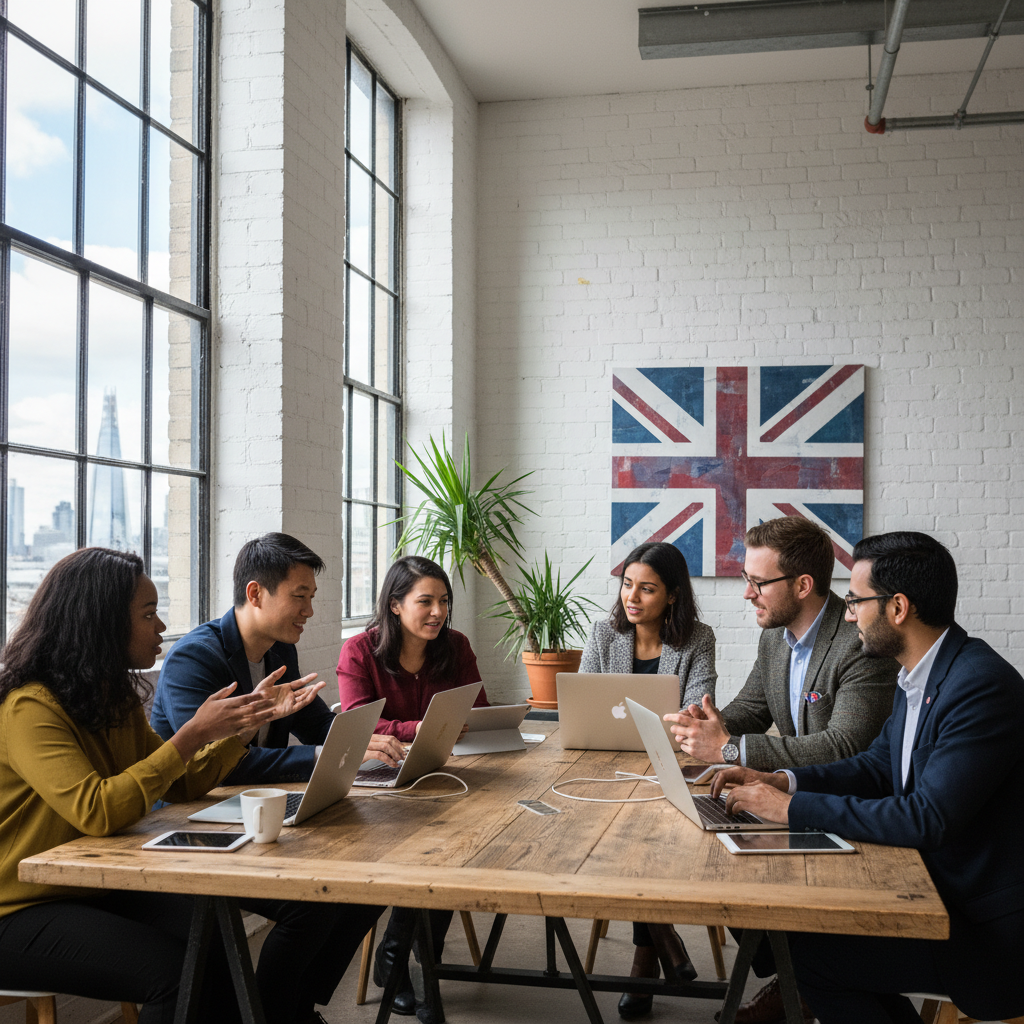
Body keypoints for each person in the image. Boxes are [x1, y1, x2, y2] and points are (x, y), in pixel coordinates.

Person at [0, 547, 385, 1024]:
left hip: (94, 882)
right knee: (179, 971)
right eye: (148, 614)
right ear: (101, 623)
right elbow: (95, 811)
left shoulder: (110, 696)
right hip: (19, 904)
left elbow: (182, 786)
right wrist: (193, 735)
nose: (161, 625)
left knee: (217, 944)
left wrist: (242, 727)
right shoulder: (29, 707)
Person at [709, 531, 1024, 1024]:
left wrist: (791, 810)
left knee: (807, 957)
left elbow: (928, 818)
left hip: (981, 930)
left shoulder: (980, 686)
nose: (848, 612)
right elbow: (876, 767)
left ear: (898, 607)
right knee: (793, 933)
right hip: (929, 890)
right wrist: (784, 782)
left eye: (856, 600)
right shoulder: (918, 672)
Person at [668, 516, 900, 1022]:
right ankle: (796, 976)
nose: (747, 594)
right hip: (790, 793)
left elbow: (845, 746)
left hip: (847, 808)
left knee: (733, 857)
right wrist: (704, 724)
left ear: (802, 585)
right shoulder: (776, 635)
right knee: (712, 847)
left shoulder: (862, 642)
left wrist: (729, 750)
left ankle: (806, 981)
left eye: (757, 582)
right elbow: (752, 708)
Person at [336, 554, 489, 1018]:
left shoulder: (456, 646)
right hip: (377, 784)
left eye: (444, 601)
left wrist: (476, 724)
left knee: (459, 842)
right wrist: (419, 728)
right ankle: (404, 960)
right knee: (435, 850)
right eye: (426, 601)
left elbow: (477, 708)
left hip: (441, 774)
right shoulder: (359, 651)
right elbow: (360, 723)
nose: (438, 612)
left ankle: (404, 956)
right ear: (396, 605)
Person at [579, 541, 717, 1020]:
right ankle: (661, 940)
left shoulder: (698, 638)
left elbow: (698, 711)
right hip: (603, 766)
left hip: (670, 767)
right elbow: (583, 705)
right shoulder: (603, 634)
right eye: (627, 585)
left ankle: (646, 958)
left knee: (644, 838)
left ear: (673, 595)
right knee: (625, 834)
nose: (631, 597)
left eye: (647, 589)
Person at [151, 532, 404, 780]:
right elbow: (214, 764)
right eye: (299, 596)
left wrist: (362, 742)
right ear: (255, 594)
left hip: (255, 801)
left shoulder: (280, 649)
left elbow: (315, 724)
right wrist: (323, 755)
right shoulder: (193, 659)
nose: (309, 610)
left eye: (311, 597)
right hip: (188, 812)